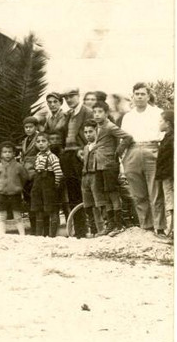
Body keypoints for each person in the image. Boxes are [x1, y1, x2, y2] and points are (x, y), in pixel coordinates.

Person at [119, 82, 166, 237]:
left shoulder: (158, 113)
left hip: (152, 149)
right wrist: (122, 160)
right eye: (137, 94)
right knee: (138, 194)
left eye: (142, 94)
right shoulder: (128, 116)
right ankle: (146, 226)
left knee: (155, 191)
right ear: (133, 96)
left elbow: (164, 135)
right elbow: (123, 139)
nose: (139, 97)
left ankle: (159, 227)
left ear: (148, 96)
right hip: (132, 151)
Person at [88, 101, 134, 236]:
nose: (96, 115)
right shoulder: (98, 127)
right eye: (95, 112)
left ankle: (119, 225)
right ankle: (111, 224)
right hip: (99, 165)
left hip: (109, 165)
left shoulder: (109, 126)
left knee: (113, 193)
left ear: (106, 113)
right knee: (105, 194)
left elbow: (127, 137)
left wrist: (118, 151)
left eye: (100, 112)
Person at [59, 88, 93, 239]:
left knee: (86, 191)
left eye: (71, 96)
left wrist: (84, 151)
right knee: (73, 193)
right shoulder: (68, 114)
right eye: (66, 97)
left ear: (78, 96)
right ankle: (80, 231)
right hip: (68, 155)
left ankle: (93, 228)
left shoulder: (87, 112)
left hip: (80, 155)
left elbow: (92, 134)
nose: (69, 99)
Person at [30, 132, 63, 238]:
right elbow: (36, 170)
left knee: (51, 208)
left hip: (49, 186)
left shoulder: (52, 157)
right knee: (39, 209)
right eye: (38, 142)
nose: (41, 144)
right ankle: (40, 234)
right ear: (35, 144)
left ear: (48, 143)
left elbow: (58, 172)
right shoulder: (38, 156)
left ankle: (52, 234)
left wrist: (56, 183)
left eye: (43, 141)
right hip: (38, 185)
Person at [0, 142, 28, 236]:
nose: (7, 154)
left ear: (14, 154)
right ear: (1, 154)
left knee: (17, 216)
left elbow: (24, 178)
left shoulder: (19, 166)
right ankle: (2, 234)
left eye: (9, 152)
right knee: (2, 215)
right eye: (4, 152)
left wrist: (17, 187)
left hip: (15, 194)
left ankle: (22, 235)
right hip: (1, 194)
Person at [157, 110, 174, 240]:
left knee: (171, 203)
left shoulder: (172, 138)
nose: (159, 123)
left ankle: (173, 233)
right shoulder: (167, 137)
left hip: (169, 175)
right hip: (166, 175)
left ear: (168, 123)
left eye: (161, 121)